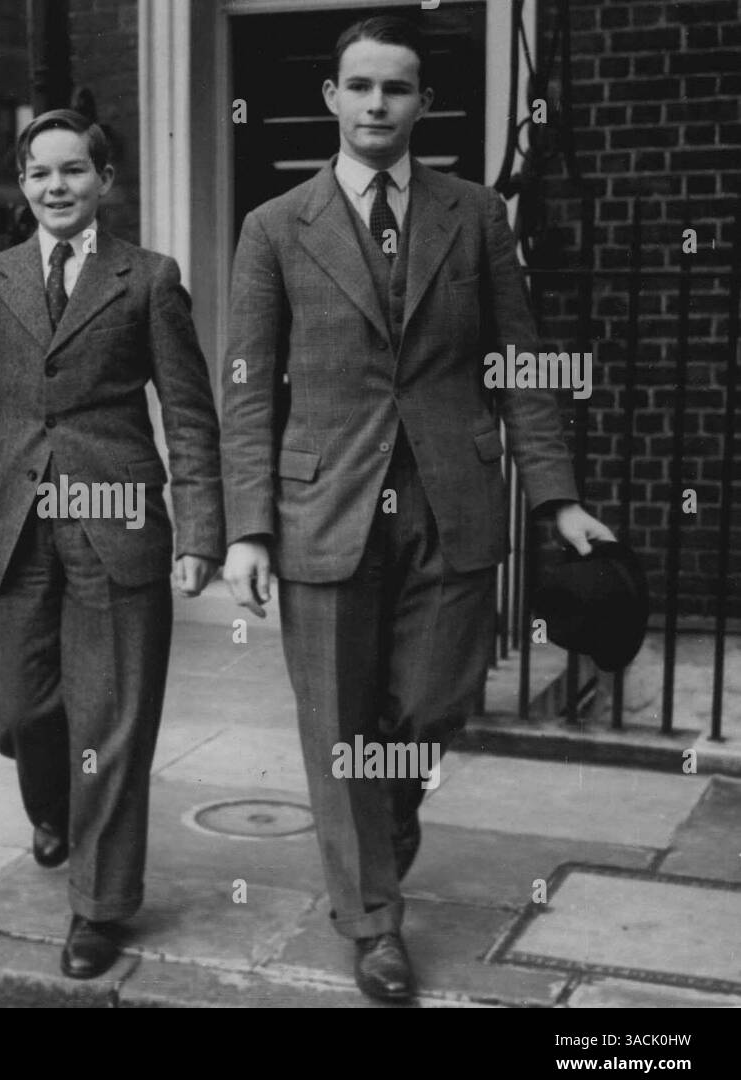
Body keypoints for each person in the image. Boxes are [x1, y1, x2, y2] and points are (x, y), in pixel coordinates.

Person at [219, 15, 614, 1003]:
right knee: (337, 722)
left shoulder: (473, 215)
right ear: (330, 98)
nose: (376, 106)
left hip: (448, 498)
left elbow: (518, 367)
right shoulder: (273, 227)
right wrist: (245, 528)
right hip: (324, 502)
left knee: (432, 705)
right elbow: (245, 388)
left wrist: (557, 499)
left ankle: (386, 818)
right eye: (359, 87)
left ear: (422, 103)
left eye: (396, 89)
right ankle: (374, 924)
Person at [0, 109, 223, 979]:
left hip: (116, 520)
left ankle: (98, 909)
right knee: (20, 705)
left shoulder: (148, 279)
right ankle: (53, 802)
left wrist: (202, 527)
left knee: (113, 720)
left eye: (74, 171)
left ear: (106, 180)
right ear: (22, 187)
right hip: (7, 519)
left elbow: (188, 411)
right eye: (39, 174)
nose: (56, 187)